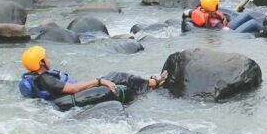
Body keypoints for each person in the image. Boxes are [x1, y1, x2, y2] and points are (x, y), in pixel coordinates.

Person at [18, 45, 167, 104]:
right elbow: (72, 89)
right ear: (41, 63)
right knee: (118, 76)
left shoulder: (39, 77)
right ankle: (152, 84)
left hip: (66, 95)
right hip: (70, 97)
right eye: (46, 57)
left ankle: (147, 84)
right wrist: (99, 81)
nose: (49, 58)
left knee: (114, 77)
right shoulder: (46, 79)